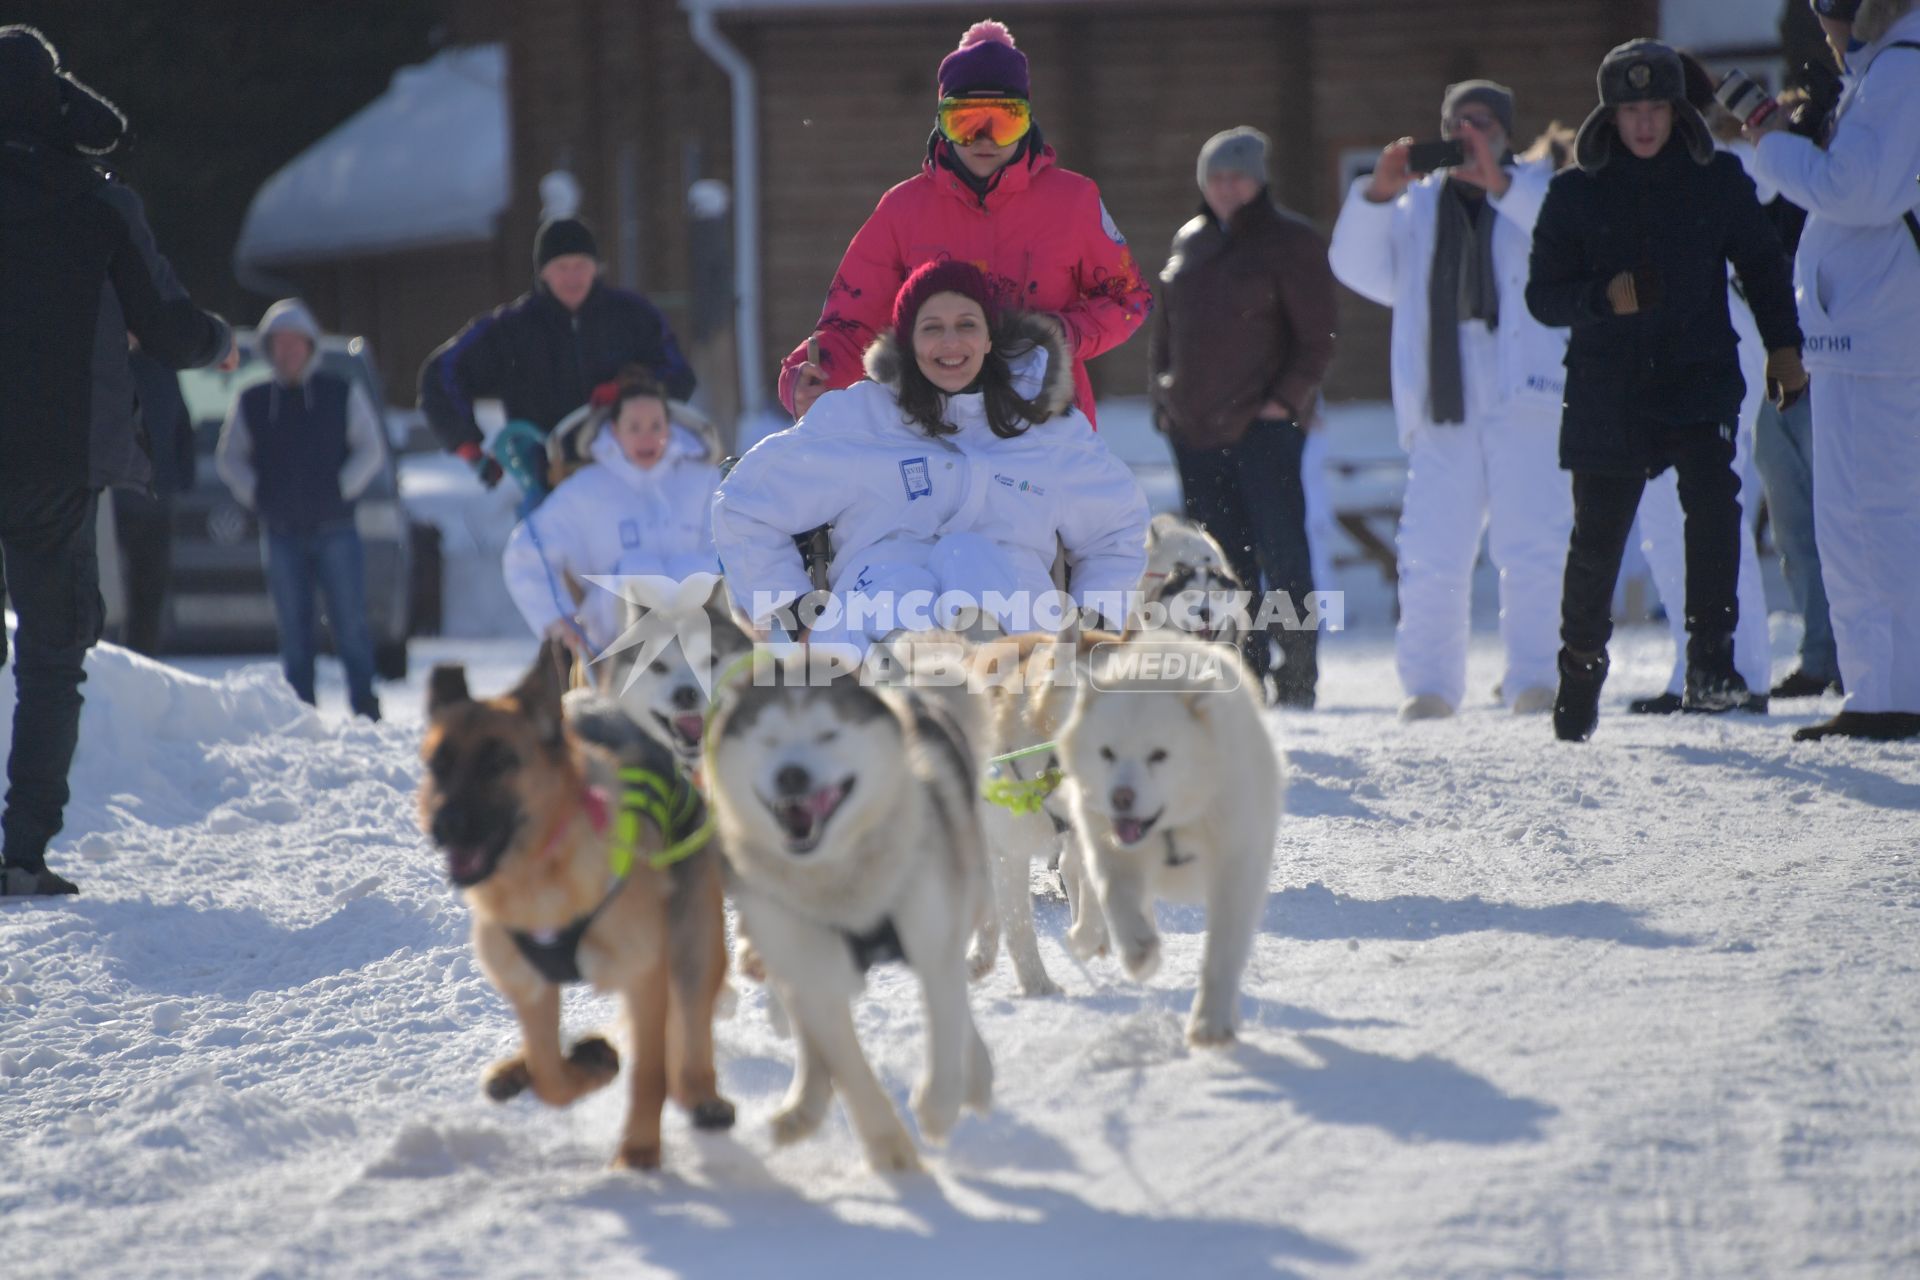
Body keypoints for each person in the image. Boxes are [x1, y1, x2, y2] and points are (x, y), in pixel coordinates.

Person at [0, 25, 234, 896]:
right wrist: (219, 341)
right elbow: (170, 328)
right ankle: (23, 851)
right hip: (55, 458)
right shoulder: (95, 201)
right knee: (54, 653)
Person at [1528, 39, 1803, 742]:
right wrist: (1602, 299)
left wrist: (1784, 348)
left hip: (1698, 377)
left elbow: (1765, 267)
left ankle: (1711, 663)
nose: (1644, 123)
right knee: (1597, 541)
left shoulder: (1718, 181)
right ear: (1609, 117)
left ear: (1677, 111)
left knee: (1714, 513)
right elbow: (1542, 297)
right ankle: (1582, 667)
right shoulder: (1574, 191)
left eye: (1656, 108)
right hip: (1606, 390)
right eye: (1630, 110)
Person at [716, 260, 1148, 649]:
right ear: (907, 341)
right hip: (876, 625)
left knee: (971, 556)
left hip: (1013, 628)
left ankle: (987, 687)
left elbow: (1115, 532)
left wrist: (1096, 628)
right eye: (931, 327)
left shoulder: (1045, 431)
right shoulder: (859, 418)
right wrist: (798, 616)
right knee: (901, 585)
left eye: (966, 324)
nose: (950, 342)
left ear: (989, 337)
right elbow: (746, 505)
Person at [1330, 80, 1573, 720]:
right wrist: (1377, 193)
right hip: (1444, 386)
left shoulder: (1540, 187)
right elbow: (1355, 267)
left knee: (1532, 543)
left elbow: (1573, 241)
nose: (1469, 134)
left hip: (1523, 383)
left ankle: (1535, 678)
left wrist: (1501, 185)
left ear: (1506, 131)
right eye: (1457, 123)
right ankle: (1431, 686)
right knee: (1432, 548)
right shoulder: (1413, 207)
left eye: (1484, 122)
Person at [778, 19, 1151, 427]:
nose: (985, 139)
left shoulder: (1073, 200)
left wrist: (1061, 333)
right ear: (941, 124)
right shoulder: (903, 209)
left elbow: (1128, 298)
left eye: (1005, 121)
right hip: (933, 427)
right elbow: (850, 322)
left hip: (1046, 422)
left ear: (1028, 122)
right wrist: (805, 375)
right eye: (966, 122)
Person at [1748, 0, 1920, 741]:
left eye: (1830, 6)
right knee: (1857, 516)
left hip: (1880, 333)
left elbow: (1861, 190)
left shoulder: (1902, 68)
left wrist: (1776, 147)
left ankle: (1893, 692)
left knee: (1873, 515)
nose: (1822, 20)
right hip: (1867, 331)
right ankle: (1881, 687)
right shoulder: (1885, 68)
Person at [1150, 127, 1337, 707]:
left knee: (1281, 551)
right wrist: (1164, 396)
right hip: (1195, 431)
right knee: (1223, 560)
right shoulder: (1191, 241)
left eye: (1237, 176)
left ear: (1260, 180)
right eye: (1216, 176)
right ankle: (1242, 665)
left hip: (1266, 428)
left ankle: (1298, 669)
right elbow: (1167, 331)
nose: (1225, 187)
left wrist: (1285, 400)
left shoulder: (1292, 242)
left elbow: (1318, 337)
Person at [1625, 54, 1780, 716]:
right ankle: (1695, 667)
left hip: (1719, 355)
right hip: (1652, 361)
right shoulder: (1628, 176)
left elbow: (1775, 181)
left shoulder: (1725, 168)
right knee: (1663, 519)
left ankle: (1741, 669)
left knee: (1715, 512)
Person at [419, 216, 696, 490]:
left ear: (596, 268)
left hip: (633, 474)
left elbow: (679, 374)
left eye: (581, 265)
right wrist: (466, 443)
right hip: (548, 480)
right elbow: (441, 374)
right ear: (543, 272)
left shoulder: (633, 316)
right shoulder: (510, 329)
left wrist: (629, 392)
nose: (572, 277)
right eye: (562, 267)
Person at [215, 300, 385, 721]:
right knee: (294, 630)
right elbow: (229, 458)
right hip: (281, 531)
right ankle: (299, 714)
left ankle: (365, 709)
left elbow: (371, 448)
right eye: (280, 345)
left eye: (296, 344)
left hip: (337, 528)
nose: (288, 352)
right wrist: (258, 495)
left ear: (311, 347)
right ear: (269, 350)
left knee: (351, 625)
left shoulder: (340, 391)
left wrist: (341, 488)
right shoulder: (252, 400)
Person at [502, 370, 723, 656]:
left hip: (704, 640)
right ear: (615, 430)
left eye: (656, 426)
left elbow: (735, 547)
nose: (647, 437)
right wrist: (557, 619)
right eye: (634, 427)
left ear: (669, 428)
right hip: (617, 641)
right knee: (639, 572)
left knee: (695, 572)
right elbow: (529, 552)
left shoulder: (702, 480)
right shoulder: (585, 490)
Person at [113, 343, 196, 656]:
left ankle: (142, 665)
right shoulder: (101, 360)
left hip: (156, 503)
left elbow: (181, 425)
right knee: (107, 593)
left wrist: (181, 479)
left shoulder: (162, 367)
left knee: (149, 596)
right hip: (111, 502)